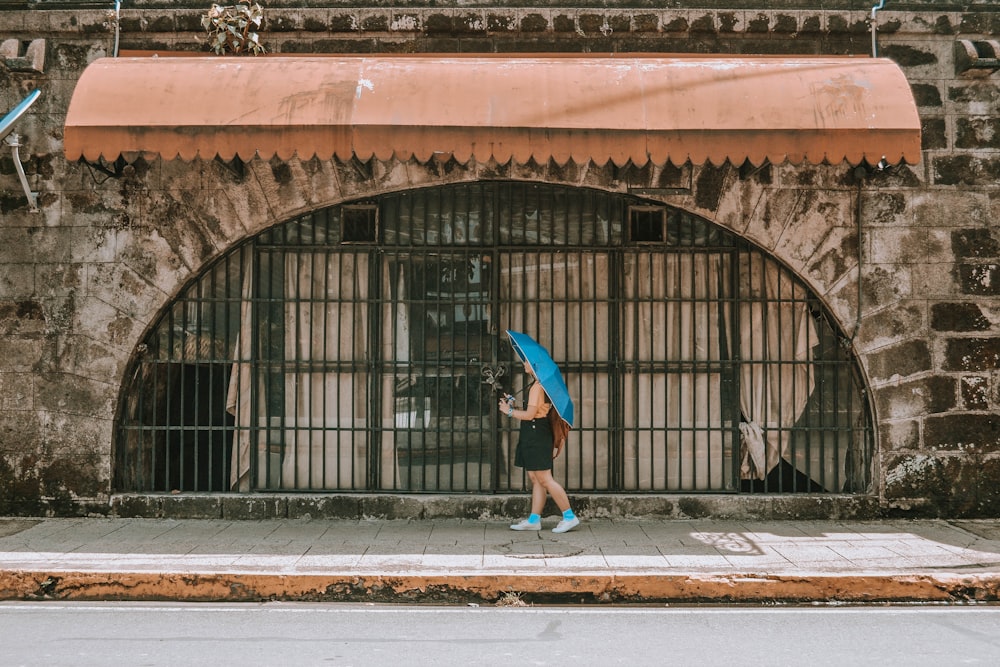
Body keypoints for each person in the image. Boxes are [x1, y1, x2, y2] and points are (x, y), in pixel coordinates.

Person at [498, 359, 580, 533]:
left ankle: (569, 516)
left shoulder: (537, 387)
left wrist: (509, 411)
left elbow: (530, 415)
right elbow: (536, 410)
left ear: (535, 365)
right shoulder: (538, 384)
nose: (524, 364)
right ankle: (534, 520)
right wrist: (514, 404)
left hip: (536, 434)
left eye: (526, 362)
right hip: (534, 433)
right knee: (536, 479)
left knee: (544, 479)